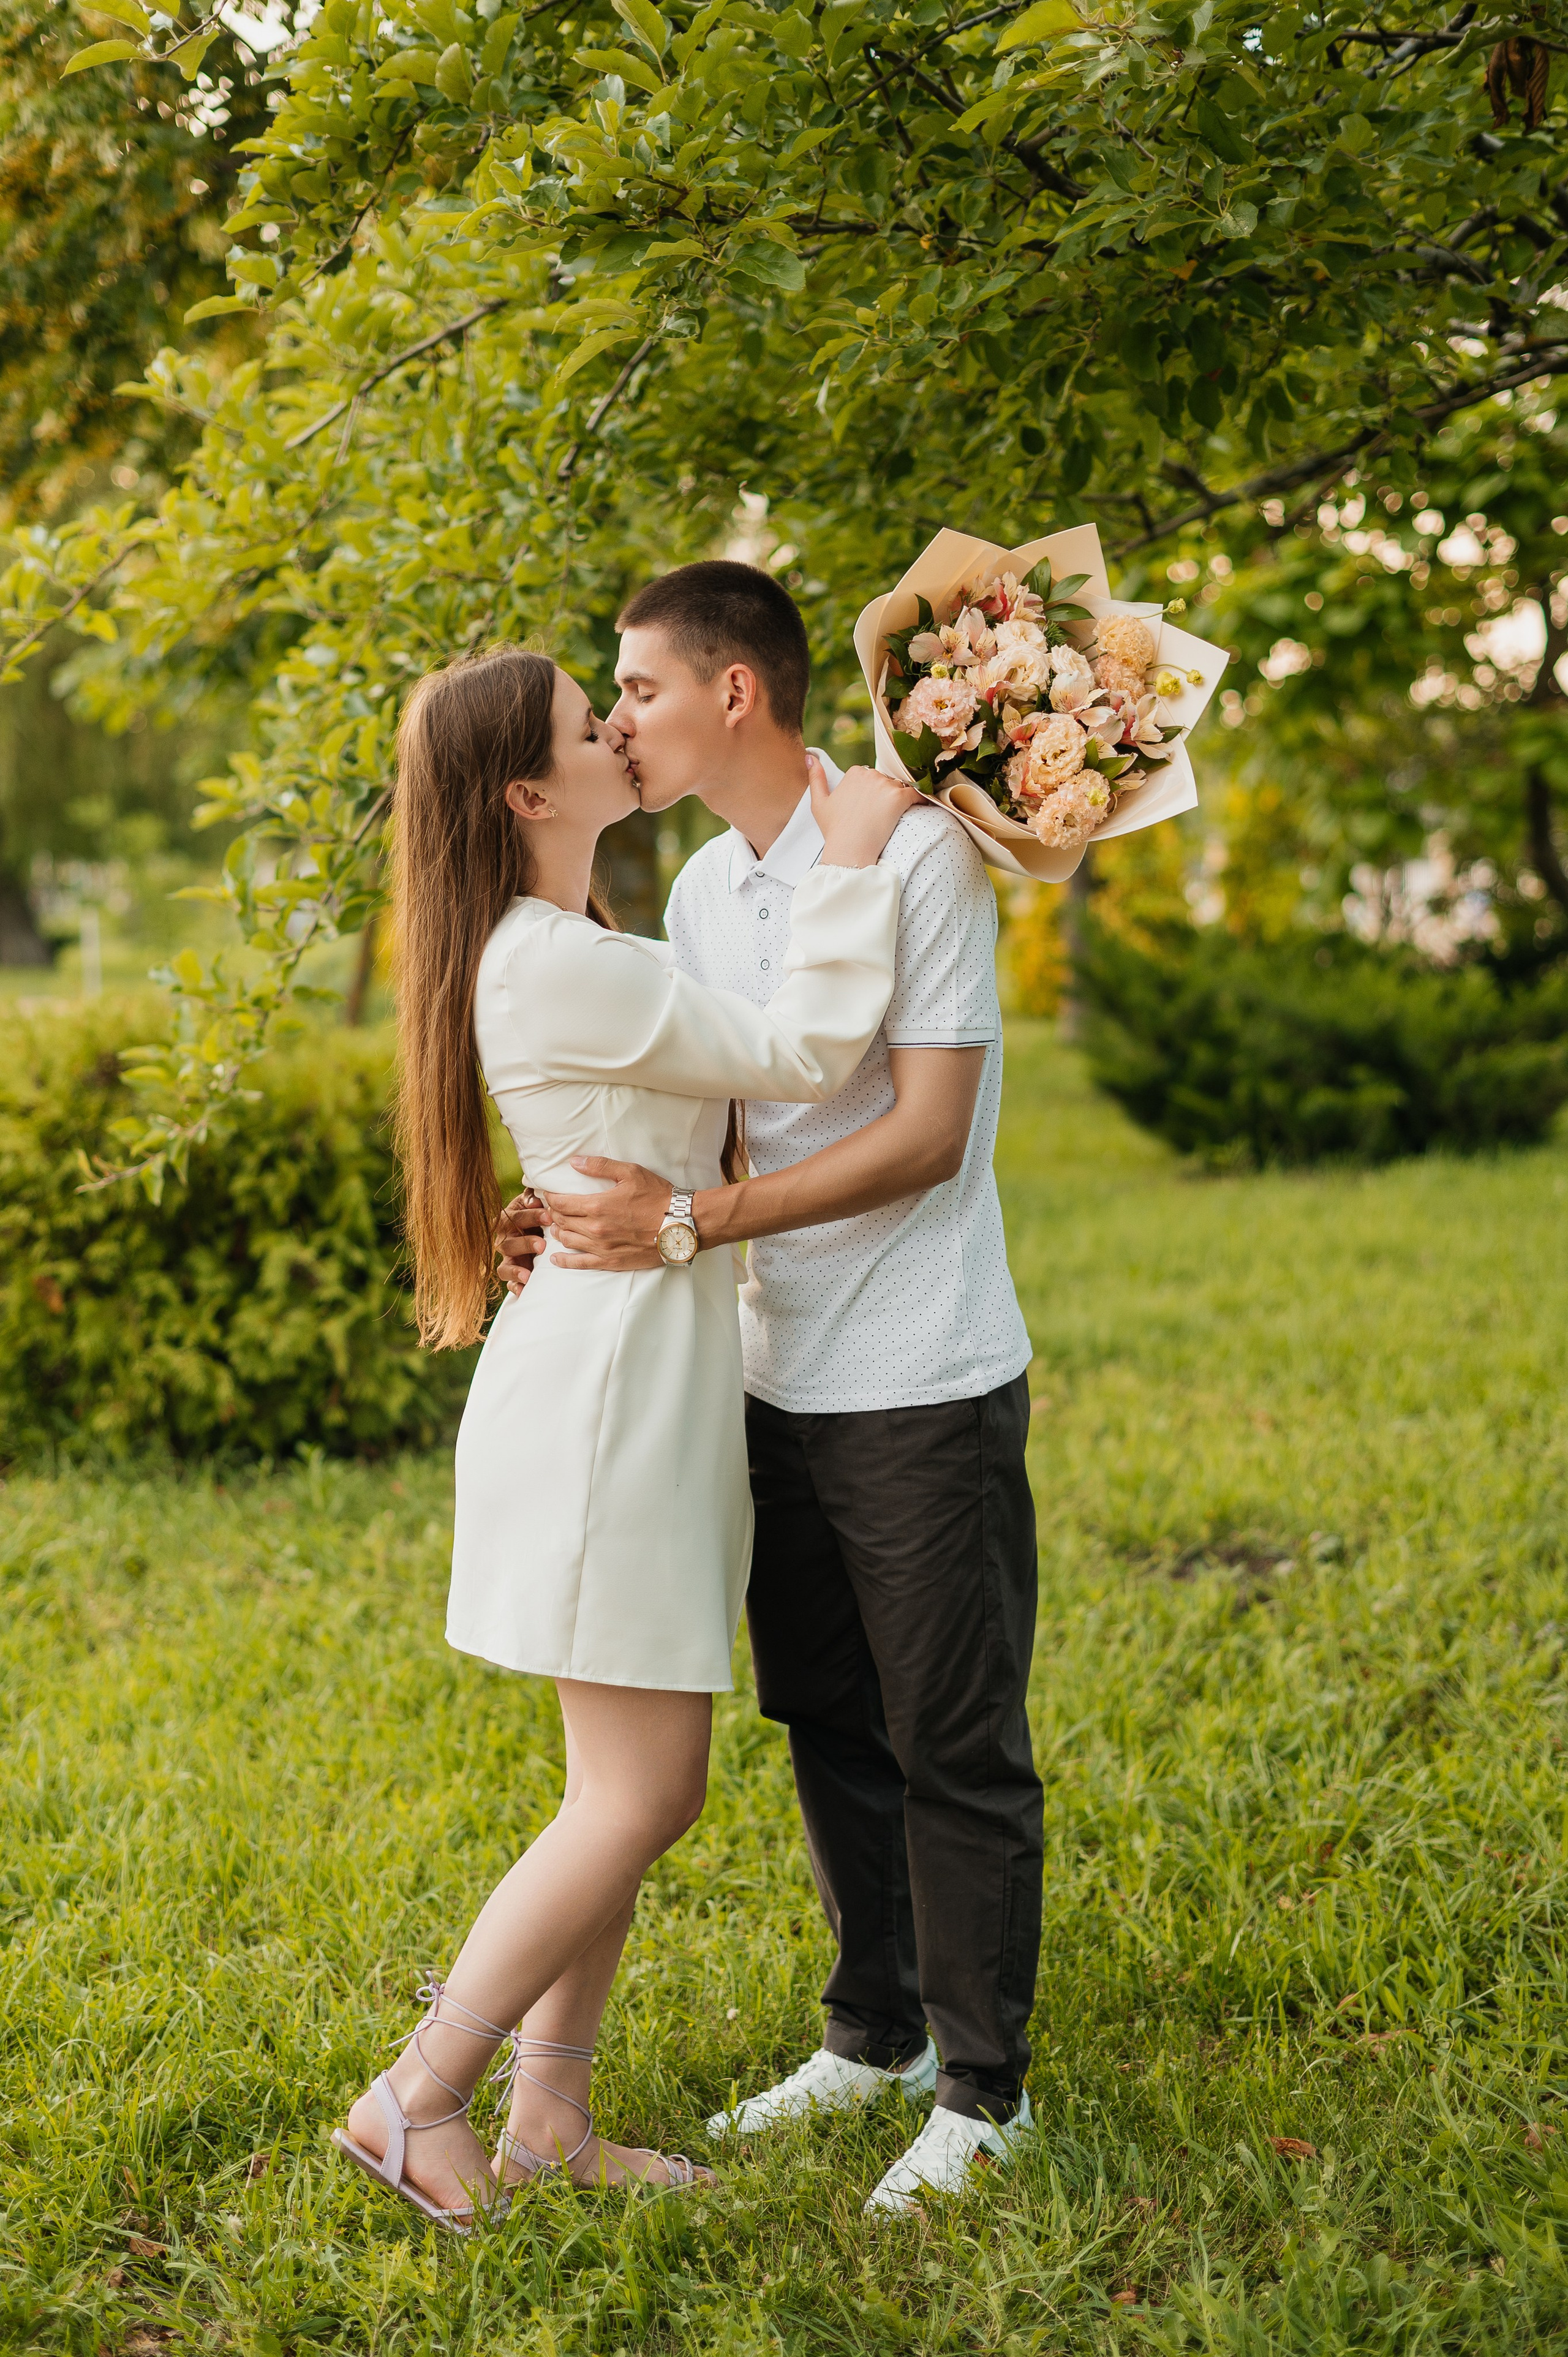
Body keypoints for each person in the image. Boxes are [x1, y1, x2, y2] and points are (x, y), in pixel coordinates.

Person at [332, 643, 918, 2232]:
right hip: (608, 1406)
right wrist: (854, 856)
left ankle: (549, 2117)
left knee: (620, 1788)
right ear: (531, 794)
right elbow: (802, 1057)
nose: (620, 733)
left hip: (636, 1380)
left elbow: (705, 1092)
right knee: (642, 1796)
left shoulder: (575, 946)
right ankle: (418, 2098)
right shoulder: (553, 958)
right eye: (592, 726)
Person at [497, 564, 1044, 2215]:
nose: (618, 721)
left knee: (950, 1737)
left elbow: (926, 1133)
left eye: (637, 689)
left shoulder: (916, 851)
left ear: (732, 691)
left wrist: (687, 1222)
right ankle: (874, 2037)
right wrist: (569, 1214)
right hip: (765, 1369)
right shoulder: (706, 891)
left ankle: (986, 2095)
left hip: (920, 1366)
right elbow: (717, 1114)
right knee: (825, 1717)